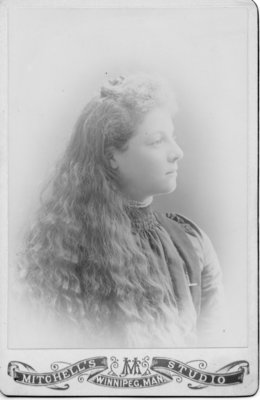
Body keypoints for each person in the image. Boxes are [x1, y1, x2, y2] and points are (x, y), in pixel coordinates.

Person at [15, 73, 224, 348]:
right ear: (112, 155)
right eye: (156, 141)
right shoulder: (62, 254)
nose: (177, 152)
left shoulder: (191, 243)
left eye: (172, 138)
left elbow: (212, 350)